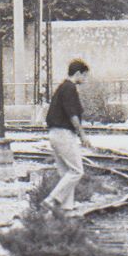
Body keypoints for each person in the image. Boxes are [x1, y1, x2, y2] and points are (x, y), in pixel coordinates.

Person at [42, 58, 93, 214]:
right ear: (78, 73)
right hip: (64, 134)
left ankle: (66, 208)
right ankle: (51, 201)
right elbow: (73, 115)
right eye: (84, 76)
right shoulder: (70, 88)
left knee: (66, 173)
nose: (85, 79)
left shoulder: (62, 87)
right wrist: (82, 135)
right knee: (77, 171)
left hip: (54, 134)